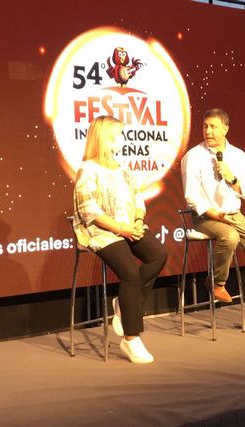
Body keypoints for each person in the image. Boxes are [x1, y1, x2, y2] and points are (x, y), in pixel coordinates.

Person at [72, 116, 168, 364]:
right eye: (117, 135)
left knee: (158, 255)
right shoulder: (88, 169)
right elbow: (88, 210)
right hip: (102, 231)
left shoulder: (122, 167)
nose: (121, 140)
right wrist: (122, 230)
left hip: (128, 225)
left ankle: (125, 305)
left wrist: (137, 221)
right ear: (103, 138)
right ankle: (131, 338)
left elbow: (137, 199)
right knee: (130, 274)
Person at [181, 108, 245, 331]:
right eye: (205, 126)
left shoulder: (238, 156)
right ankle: (217, 282)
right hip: (206, 216)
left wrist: (232, 178)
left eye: (213, 126)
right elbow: (191, 196)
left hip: (233, 214)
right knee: (230, 237)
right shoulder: (193, 156)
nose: (208, 131)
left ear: (225, 128)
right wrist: (214, 214)